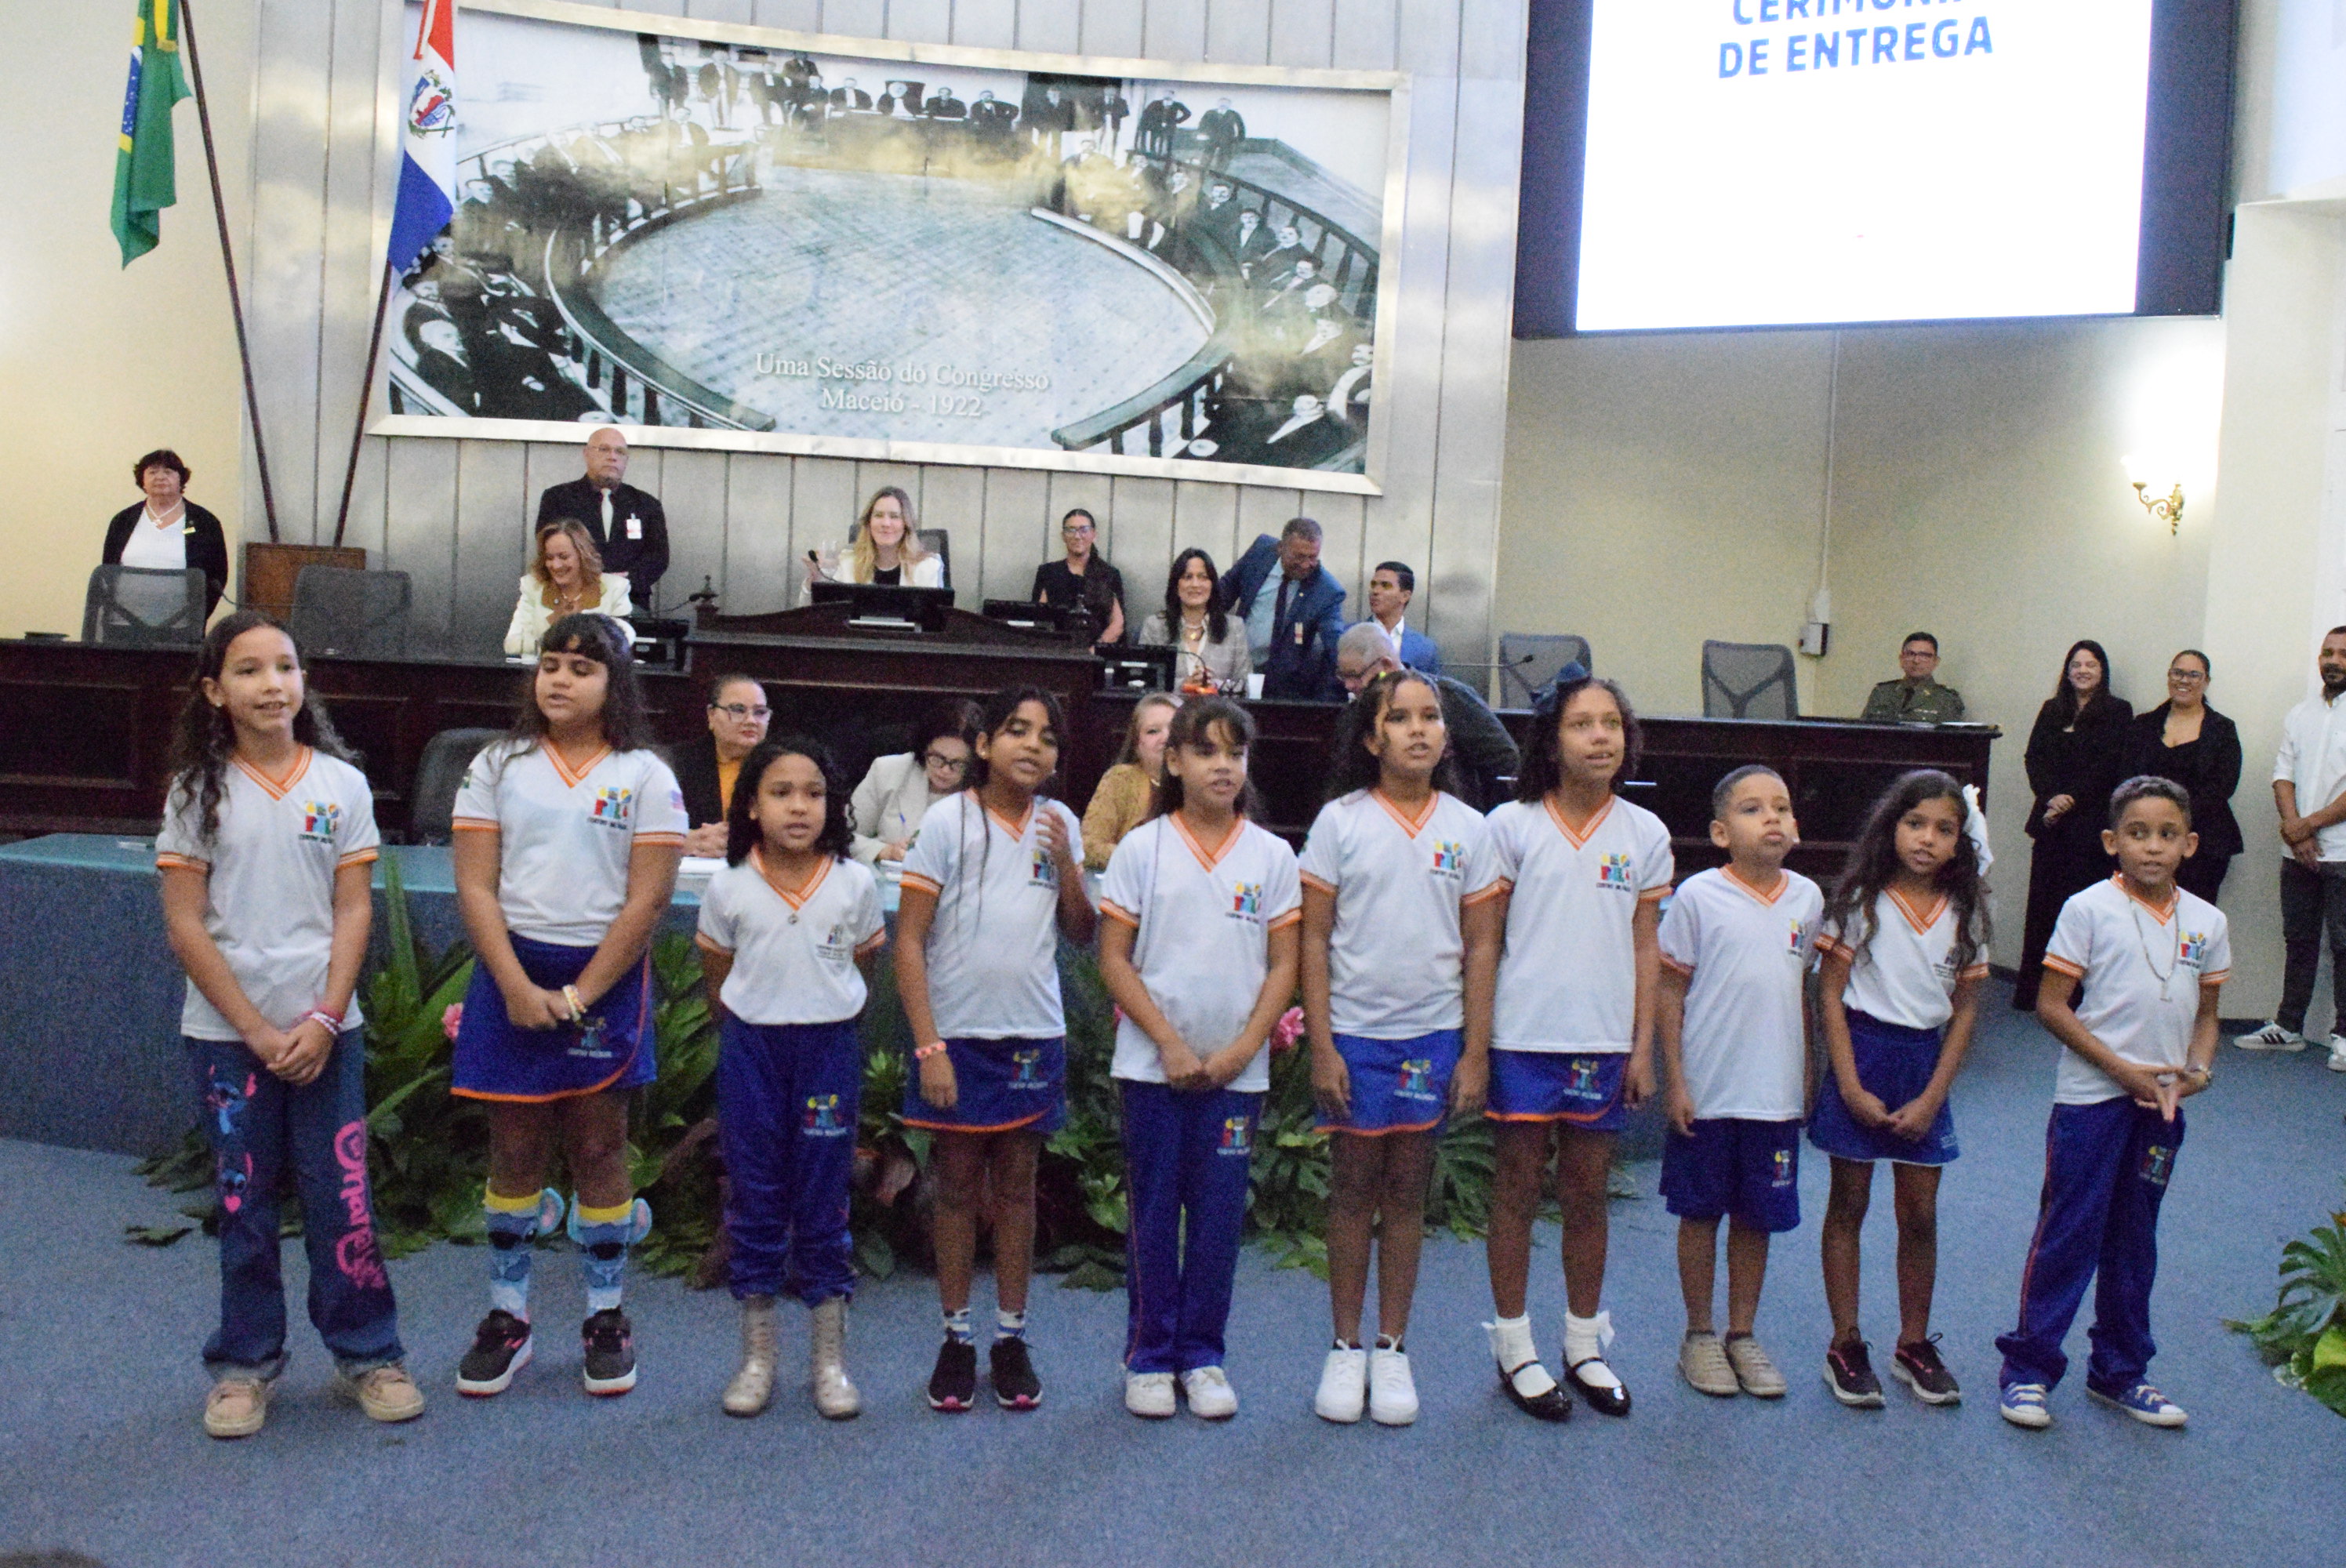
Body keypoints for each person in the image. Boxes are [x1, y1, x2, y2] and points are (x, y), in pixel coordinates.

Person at [154, 611, 422, 1439]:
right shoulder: (197, 792)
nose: (272, 685)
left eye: (285, 666)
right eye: (249, 670)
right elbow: (186, 924)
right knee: (245, 1202)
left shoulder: (340, 785)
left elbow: (353, 910)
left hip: (326, 1034)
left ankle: (368, 1352)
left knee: (343, 1199)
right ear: (214, 691)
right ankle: (244, 1362)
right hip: (228, 1039)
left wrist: (325, 1015)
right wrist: (257, 1030)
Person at [448, 614, 687, 1399]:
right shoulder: (496, 764)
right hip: (511, 971)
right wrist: (516, 986)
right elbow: (475, 884)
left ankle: (606, 1316)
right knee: (514, 1148)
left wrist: (582, 993)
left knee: (598, 1146)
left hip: (603, 978)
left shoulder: (646, 775)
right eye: (550, 664)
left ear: (616, 684)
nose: (559, 679)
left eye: (581, 669)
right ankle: (508, 1316)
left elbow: (648, 900)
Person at [1996, 776, 2227, 1432]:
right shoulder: (2087, 908)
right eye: (2137, 833)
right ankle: (2028, 1369)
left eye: (2167, 835)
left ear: (2189, 844)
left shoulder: (2208, 922)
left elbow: (2207, 1016)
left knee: (2135, 1238)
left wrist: (2198, 1070)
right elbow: (2051, 1005)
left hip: (2162, 1107)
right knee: (2069, 1232)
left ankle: (2120, 1371)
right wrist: (2123, 1072)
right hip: (2092, 1099)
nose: (2152, 847)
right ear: (2111, 841)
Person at [1301, 670, 1500, 1426]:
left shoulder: (1470, 828)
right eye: (1401, 718)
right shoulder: (1340, 822)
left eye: (1431, 717)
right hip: (1355, 1035)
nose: (1419, 729)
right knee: (1353, 1190)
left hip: (1432, 1036)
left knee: (1408, 1191)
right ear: (1370, 737)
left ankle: (1392, 1346)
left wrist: (1474, 1052)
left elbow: (1482, 948)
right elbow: (1313, 940)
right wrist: (1323, 1046)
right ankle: (1344, 1346)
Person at [1473, 672, 1671, 1422]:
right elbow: (1484, 945)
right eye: (1583, 724)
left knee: (1588, 1193)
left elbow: (1646, 949)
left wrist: (1642, 1048)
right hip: (1523, 1039)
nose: (1600, 737)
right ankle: (1515, 1348)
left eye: (1611, 723)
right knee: (1518, 1190)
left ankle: (1585, 1345)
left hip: (1603, 1044)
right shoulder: (1510, 826)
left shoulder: (1645, 834)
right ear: (1552, 742)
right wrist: (1477, 1045)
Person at [1099, 698, 1302, 1421]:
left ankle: (1204, 1355)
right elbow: (1114, 960)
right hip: (1153, 1069)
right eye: (1207, 752)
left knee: (1217, 1219)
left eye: (1235, 754)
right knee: (1155, 1214)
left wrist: (1244, 1049)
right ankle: (1150, 1356)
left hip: (1235, 1076)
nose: (1223, 767)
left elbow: (1284, 965)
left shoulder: (1272, 857)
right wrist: (1170, 1043)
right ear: (1174, 761)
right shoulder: (1142, 850)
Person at [895, 688, 1095, 1414]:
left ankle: (1011, 1338)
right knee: (955, 1187)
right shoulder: (947, 821)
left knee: (1017, 1189)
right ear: (984, 745)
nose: (1032, 746)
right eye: (1017, 730)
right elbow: (908, 940)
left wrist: (1067, 864)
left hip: (1032, 1035)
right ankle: (957, 1339)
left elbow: (1081, 932)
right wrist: (930, 1046)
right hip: (957, 1037)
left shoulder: (1060, 822)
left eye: (1047, 736)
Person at [696, 736, 886, 1421]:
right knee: (755, 1194)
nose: (798, 807)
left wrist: (819, 1009)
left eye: (813, 793)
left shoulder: (855, 883)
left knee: (824, 1194)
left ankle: (829, 1361)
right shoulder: (729, 885)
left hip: (827, 1050)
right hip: (752, 1050)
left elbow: (864, 963)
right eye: (781, 793)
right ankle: (757, 1358)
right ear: (752, 805)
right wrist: (757, 1017)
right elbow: (717, 974)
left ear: (833, 804)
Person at [1810, 771, 1989, 1410]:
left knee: (1919, 1213)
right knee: (1849, 1204)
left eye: (1944, 829)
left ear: (1960, 842)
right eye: (1915, 824)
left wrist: (1934, 1096)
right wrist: (1850, 1087)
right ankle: (1845, 1343)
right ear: (1892, 828)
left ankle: (1913, 1343)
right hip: (1863, 1058)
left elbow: (1965, 1011)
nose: (1927, 839)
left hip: (1922, 1066)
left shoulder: (1967, 912)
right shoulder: (1862, 901)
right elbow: (1830, 994)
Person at [1656, 765, 1824, 1400]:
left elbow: (1799, 991)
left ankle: (1742, 1333)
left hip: (1772, 1094)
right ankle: (1699, 1334)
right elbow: (1670, 993)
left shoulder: (1808, 899)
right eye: (1753, 809)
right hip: (1710, 1089)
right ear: (1721, 833)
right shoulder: (1698, 896)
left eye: (1781, 806)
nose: (1772, 817)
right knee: (1700, 1213)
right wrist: (1676, 1081)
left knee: (1758, 1217)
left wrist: (1805, 1072)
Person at [2240, 629, 2346, 1062]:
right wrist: (2293, 828)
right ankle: (2289, 1026)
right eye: (2327, 653)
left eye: (2343, 654)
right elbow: (2282, 774)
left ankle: (2344, 1036)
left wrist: (2307, 826)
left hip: (2343, 851)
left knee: (2344, 945)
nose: (2333, 661)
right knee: (2299, 940)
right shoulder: (2301, 714)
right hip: (2297, 851)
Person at [2014, 641, 2134, 1010]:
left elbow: (2112, 764)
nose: (2083, 671)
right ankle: (2033, 993)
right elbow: (2033, 757)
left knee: (2084, 913)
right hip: (2050, 823)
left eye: (2090, 665)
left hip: (2090, 825)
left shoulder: (2118, 711)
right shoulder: (2052, 709)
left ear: (2102, 671)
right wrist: (2052, 796)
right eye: (2076, 665)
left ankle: (2077, 997)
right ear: (2067, 672)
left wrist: (2072, 798)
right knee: (2043, 909)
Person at [1334, 623, 1520, 810]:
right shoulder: (1352, 715)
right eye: (1343, 676)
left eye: (1355, 675)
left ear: (1386, 665)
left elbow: (1505, 761)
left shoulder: (1451, 697)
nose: (1348, 686)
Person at [2125, 650, 2242, 906]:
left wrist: (2175, 818)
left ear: (2206, 681)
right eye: (2177, 673)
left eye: (2193, 675)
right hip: (2147, 841)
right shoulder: (2143, 725)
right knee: (2145, 915)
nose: (2184, 680)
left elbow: (2224, 785)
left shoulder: (2222, 729)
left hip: (2203, 842)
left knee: (2193, 919)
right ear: (2169, 676)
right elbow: (2127, 778)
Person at [534, 426, 670, 599]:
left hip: (629, 598)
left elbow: (658, 557)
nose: (612, 457)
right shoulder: (558, 498)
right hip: (571, 598)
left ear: (626, 460)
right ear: (586, 454)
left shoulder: (646, 504)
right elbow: (549, 549)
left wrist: (624, 581)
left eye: (620, 452)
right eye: (604, 449)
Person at [1221, 518, 1348, 700]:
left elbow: (1335, 642)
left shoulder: (1327, 591)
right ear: (1281, 548)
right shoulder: (1260, 551)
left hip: (1283, 687)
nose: (1306, 565)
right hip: (1235, 670)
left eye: (1313, 557)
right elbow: (1224, 593)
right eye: (1299, 557)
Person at [104, 448, 231, 619]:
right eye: (152, 472)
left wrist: (196, 617)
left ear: (181, 479)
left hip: (183, 623)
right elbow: (108, 571)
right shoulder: (123, 520)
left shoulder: (205, 522)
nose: (160, 477)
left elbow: (217, 576)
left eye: (168, 472)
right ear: (142, 481)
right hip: (123, 620)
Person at [848, 699, 978, 865]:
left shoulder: (986, 787)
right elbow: (843, 837)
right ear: (924, 749)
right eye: (937, 758)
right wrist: (886, 851)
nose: (945, 770)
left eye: (958, 763)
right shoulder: (889, 771)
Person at [671, 673, 770, 857]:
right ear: (712, 715)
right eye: (738, 710)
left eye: (760, 712)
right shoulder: (675, 765)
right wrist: (683, 841)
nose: (751, 721)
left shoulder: (782, 766)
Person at [504, 519, 632, 658]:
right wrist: (559, 639)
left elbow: (624, 641)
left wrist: (580, 631)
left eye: (564, 557)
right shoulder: (532, 587)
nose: (556, 565)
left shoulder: (615, 588)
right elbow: (512, 644)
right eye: (549, 558)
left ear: (583, 555)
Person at [1139, 548, 1251, 695]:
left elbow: (1245, 684)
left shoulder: (1234, 628)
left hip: (1217, 708)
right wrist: (1184, 685)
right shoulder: (1155, 626)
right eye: (1188, 577)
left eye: (1203, 577)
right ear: (1176, 585)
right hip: (1168, 708)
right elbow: (1143, 680)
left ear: (1212, 585)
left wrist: (1214, 685)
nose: (1195, 584)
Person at [804, 486, 944, 597]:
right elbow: (815, 614)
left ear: (906, 524)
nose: (886, 523)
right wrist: (816, 578)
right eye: (878, 515)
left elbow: (935, 621)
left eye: (894, 516)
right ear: (868, 523)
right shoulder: (847, 563)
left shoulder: (928, 567)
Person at [1030, 507, 1126, 644]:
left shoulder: (1109, 574)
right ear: (1063, 536)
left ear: (1094, 535)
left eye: (1084, 530)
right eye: (1071, 530)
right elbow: (1039, 618)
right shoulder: (1048, 572)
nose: (1077, 536)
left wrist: (1094, 650)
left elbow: (1117, 624)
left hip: (1097, 652)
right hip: (1056, 650)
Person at [1860, 633, 1966, 723]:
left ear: (1936, 661)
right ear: (1901, 659)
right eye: (1910, 654)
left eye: (1924, 655)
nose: (1916, 661)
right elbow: (1864, 732)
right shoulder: (1882, 693)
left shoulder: (1946, 699)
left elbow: (1948, 739)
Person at [1365, 561, 1440, 677]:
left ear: (1405, 596)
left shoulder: (1425, 648)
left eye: (1385, 586)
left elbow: (1430, 686)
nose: (1375, 591)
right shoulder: (1349, 636)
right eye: (1374, 584)